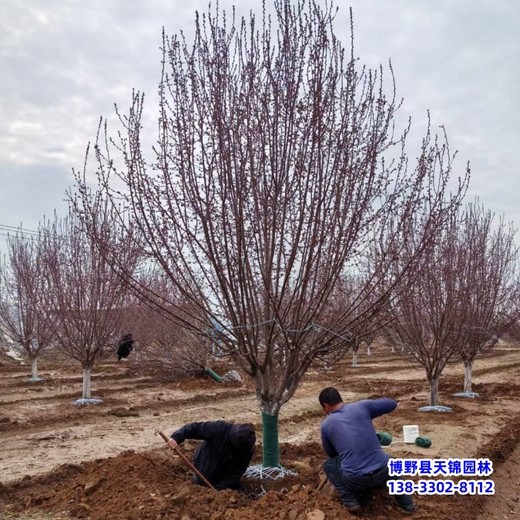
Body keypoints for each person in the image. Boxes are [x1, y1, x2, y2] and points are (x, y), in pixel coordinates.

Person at [318, 387, 416, 515]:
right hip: (383, 473)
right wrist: (369, 408)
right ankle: (408, 505)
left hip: (356, 480)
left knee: (329, 465)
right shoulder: (362, 407)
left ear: (325, 406)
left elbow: (332, 454)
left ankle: (350, 501)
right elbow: (392, 403)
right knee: (392, 464)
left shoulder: (326, 424)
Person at [167, 420, 256, 490]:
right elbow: (195, 428)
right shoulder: (219, 428)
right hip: (204, 468)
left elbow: (237, 472)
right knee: (200, 481)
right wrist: (176, 438)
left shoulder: (247, 449)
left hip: (223, 477)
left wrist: (221, 488)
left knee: (234, 487)